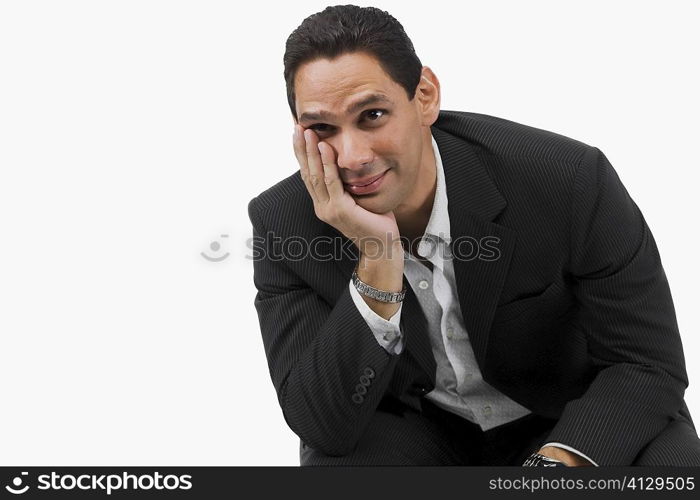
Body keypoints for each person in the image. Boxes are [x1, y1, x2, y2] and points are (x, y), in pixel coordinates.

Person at [247, 4, 700, 466]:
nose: (350, 156)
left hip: (566, 419)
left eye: (373, 115)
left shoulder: (567, 180)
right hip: (415, 431)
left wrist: (558, 466)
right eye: (322, 128)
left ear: (424, 96)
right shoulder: (283, 224)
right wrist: (377, 260)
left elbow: (646, 362)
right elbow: (323, 426)